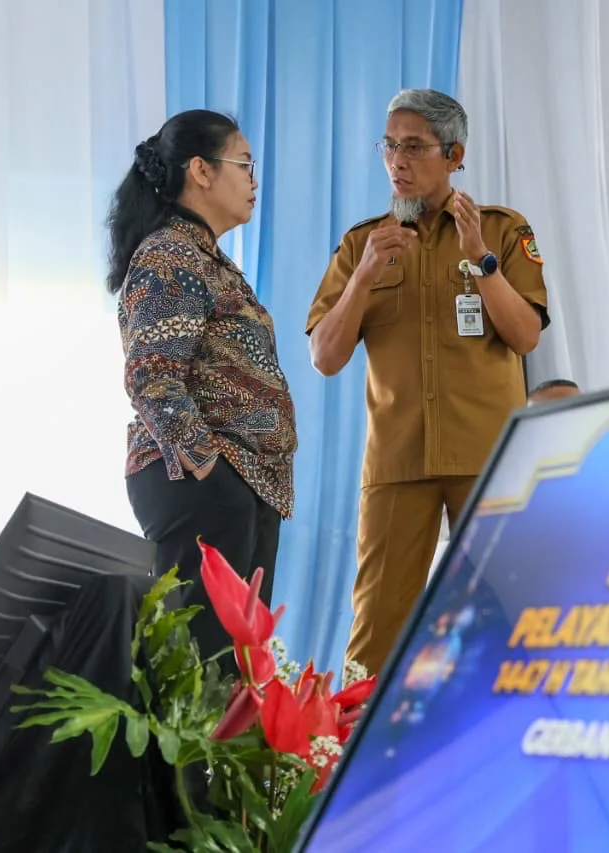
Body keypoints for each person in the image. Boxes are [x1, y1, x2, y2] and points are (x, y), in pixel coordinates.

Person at [306, 89, 549, 674]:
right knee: (375, 638)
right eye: (389, 146)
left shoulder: (502, 230)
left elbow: (525, 337)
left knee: (502, 623)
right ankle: (353, 760)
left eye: (413, 146)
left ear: (454, 153)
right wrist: (364, 276)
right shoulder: (362, 243)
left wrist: (480, 260)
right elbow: (325, 356)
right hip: (397, 463)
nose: (397, 161)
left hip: (487, 461)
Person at [109, 109, 297, 659]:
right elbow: (152, 375)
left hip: (239, 487)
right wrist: (210, 469)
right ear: (201, 170)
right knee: (198, 671)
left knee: (233, 671)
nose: (254, 180)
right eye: (245, 163)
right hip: (204, 483)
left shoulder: (205, 257)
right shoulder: (170, 255)